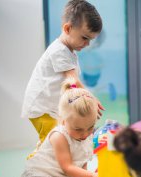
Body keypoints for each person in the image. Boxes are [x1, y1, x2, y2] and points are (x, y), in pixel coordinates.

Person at [21, 0, 104, 158]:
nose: (87, 44)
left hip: (51, 109)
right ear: (67, 28)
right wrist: (90, 97)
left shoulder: (69, 52)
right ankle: (35, 167)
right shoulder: (59, 51)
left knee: (66, 140)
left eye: (90, 40)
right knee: (53, 143)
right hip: (42, 109)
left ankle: (74, 176)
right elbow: (72, 81)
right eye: (85, 38)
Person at [18, 77, 99, 177]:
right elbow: (68, 167)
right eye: (78, 129)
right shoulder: (59, 136)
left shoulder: (85, 135)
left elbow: (82, 161)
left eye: (90, 127)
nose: (85, 134)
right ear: (63, 121)